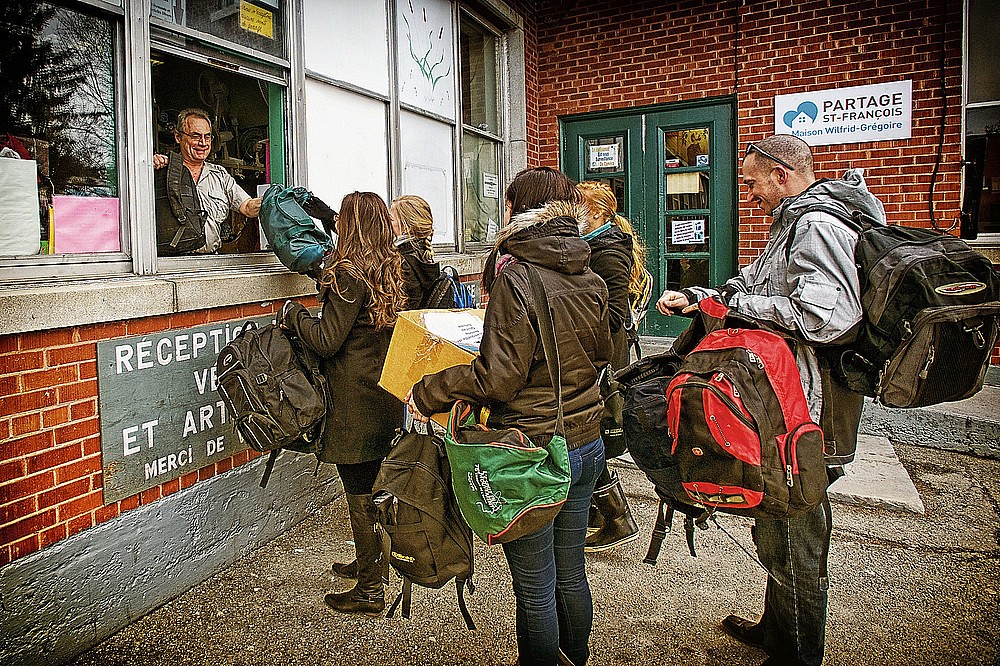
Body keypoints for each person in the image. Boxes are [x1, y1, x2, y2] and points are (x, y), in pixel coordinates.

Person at [655, 134, 882, 666]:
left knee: (797, 540)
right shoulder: (792, 224)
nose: (749, 193)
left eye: (754, 182)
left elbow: (829, 317)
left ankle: (798, 654)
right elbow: (760, 287)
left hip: (810, 413)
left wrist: (744, 305)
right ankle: (777, 631)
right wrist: (709, 299)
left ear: (782, 175)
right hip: (784, 406)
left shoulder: (817, 226)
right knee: (774, 521)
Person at [407, 167, 613, 666]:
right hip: (585, 443)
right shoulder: (590, 274)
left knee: (536, 587)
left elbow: (497, 379)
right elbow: (605, 352)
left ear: (519, 211)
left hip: (533, 453)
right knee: (571, 571)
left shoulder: (516, 273)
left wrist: (429, 389)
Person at [279, 191, 408, 616]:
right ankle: (372, 562)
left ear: (350, 227)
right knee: (373, 483)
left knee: (358, 489)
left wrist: (294, 315)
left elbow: (327, 340)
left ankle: (370, 590)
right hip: (381, 394)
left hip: (353, 400)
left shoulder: (348, 275)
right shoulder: (388, 266)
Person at [575, 180, 645, 552]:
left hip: (603, 357)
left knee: (589, 434)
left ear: (599, 213)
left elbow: (614, 313)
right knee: (587, 433)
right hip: (597, 354)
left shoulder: (608, 251)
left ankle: (617, 516)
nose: (574, 215)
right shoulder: (596, 245)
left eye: (579, 207)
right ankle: (601, 513)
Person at [153, 108, 262, 253]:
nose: (203, 143)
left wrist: (270, 201)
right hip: (172, 263)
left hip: (210, 261)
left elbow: (247, 207)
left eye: (207, 136)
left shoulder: (220, 175)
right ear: (178, 137)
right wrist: (148, 165)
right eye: (195, 136)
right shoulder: (163, 172)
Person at [389, 194, 441, 309]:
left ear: (406, 227)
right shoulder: (423, 255)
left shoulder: (403, 262)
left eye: (391, 219)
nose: (386, 222)